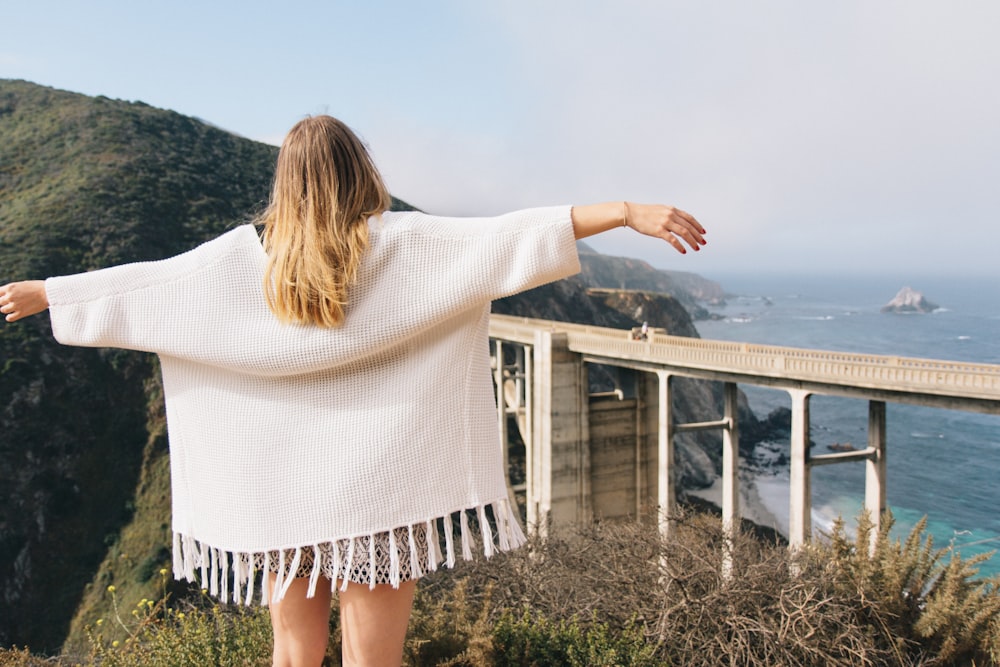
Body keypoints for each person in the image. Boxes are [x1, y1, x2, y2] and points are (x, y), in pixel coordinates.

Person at [0, 115, 706, 667]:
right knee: (374, 659)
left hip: (283, 503)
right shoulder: (403, 246)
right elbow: (508, 238)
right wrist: (626, 210)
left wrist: (46, 293)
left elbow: (147, 287)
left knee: (293, 653)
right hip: (381, 503)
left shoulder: (241, 266)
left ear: (287, 184)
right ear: (359, 171)